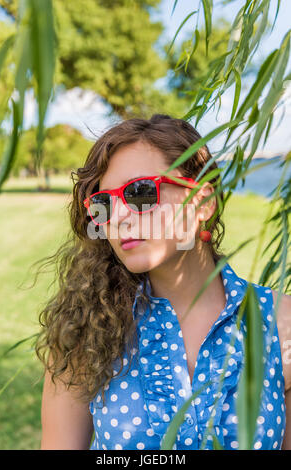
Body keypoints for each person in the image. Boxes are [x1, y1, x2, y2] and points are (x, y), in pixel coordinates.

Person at [37, 114, 291, 450]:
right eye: (104, 203)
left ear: (203, 202)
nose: (119, 217)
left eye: (140, 193)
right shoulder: (83, 330)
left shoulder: (280, 321)